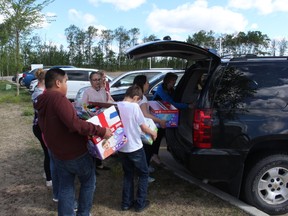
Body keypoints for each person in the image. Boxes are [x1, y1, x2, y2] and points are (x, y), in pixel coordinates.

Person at [34, 68, 113, 216]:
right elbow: (74, 124)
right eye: (65, 81)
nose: (66, 85)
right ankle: (83, 213)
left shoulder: (42, 99)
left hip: (58, 153)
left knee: (65, 187)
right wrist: (101, 131)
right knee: (89, 182)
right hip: (74, 153)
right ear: (58, 83)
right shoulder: (58, 99)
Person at [117, 85, 157, 212]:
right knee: (144, 174)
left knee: (128, 174)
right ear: (135, 97)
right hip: (135, 147)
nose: (138, 103)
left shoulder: (117, 105)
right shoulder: (134, 106)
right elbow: (143, 127)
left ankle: (125, 203)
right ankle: (140, 203)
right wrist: (153, 132)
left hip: (122, 147)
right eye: (138, 100)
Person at [151, 72, 192, 165]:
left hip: (165, 114)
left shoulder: (171, 90)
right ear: (168, 80)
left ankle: (154, 154)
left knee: (162, 134)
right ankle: (154, 155)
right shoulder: (161, 89)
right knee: (158, 135)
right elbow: (171, 103)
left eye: (175, 80)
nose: (174, 82)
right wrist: (187, 106)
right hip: (157, 115)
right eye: (173, 80)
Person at [133, 75, 166, 183]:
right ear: (142, 84)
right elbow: (145, 115)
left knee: (142, 152)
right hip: (143, 129)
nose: (148, 85)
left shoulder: (133, 95)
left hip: (135, 129)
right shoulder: (142, 97)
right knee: (146, 152)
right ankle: (143, 175)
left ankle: (144, 170)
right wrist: (159, 120)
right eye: (147, 83)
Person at [82, 71, 113, 173]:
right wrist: (96, 110)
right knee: (92, 144)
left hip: (102, 120)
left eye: (99, 79)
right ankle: (92, 167)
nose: (97, 82)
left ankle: (99, 164)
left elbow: (107, 103)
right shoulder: (87, 92)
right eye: (94, 80)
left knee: (101, 142)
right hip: (91, 121)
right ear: (90, 81)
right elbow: (84, 106)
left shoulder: (104, 90)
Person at [31, 68, 52, 187]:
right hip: (40, 127)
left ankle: (47, 172)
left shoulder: (43, 91)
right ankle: (49, 179)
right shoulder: (38, 93)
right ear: (44, 80)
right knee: (48, 152)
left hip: (42, 125)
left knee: (48, 152)